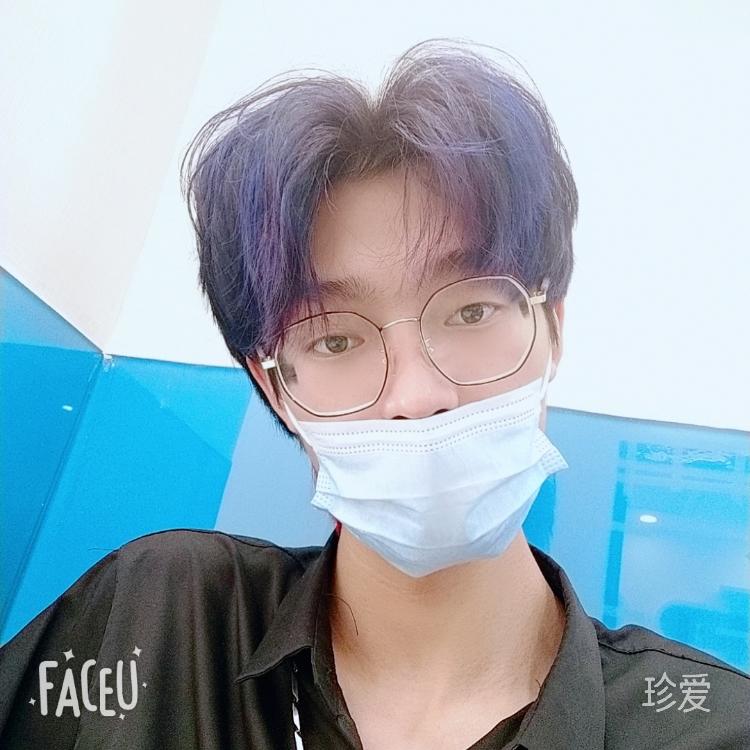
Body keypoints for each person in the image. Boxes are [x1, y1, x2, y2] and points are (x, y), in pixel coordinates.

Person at [1, 38, 748, 750]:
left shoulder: (712, 727)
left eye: (471, 311)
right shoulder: (157, 621)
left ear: (551, 327)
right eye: (334, 340)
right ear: (275, 387)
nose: (416, 396)